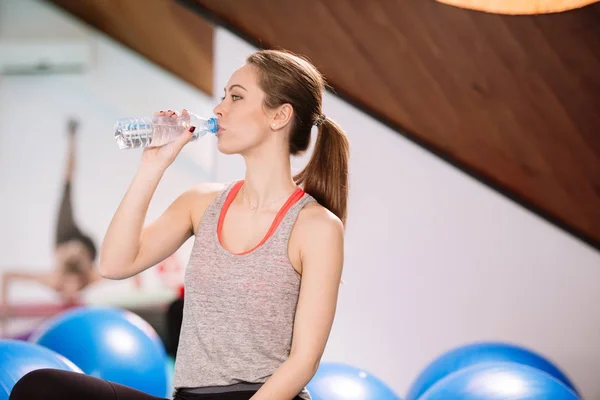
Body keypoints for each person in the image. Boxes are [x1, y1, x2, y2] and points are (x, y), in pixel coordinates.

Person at [9, 49, 349, 400]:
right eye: (222, 97)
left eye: (236, 97)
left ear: (280, 115)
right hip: (188, 397)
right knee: (42, 387)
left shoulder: (316, 227)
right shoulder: (201, 203)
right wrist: (153, 165)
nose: (219, 109)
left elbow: (304, 361)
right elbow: (114, 263)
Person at [1, 119, 103, 322]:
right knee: (67, 182)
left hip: (64, 238)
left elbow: (8, 275)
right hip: (86, 244)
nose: (71, 290)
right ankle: (73, 138)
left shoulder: (53, 280)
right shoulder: (90, 278)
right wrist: (138, 281)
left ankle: (72, 138)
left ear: (61, 287)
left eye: (68, 290)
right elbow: (125, 272)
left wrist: (3, 302)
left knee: (66, 183)